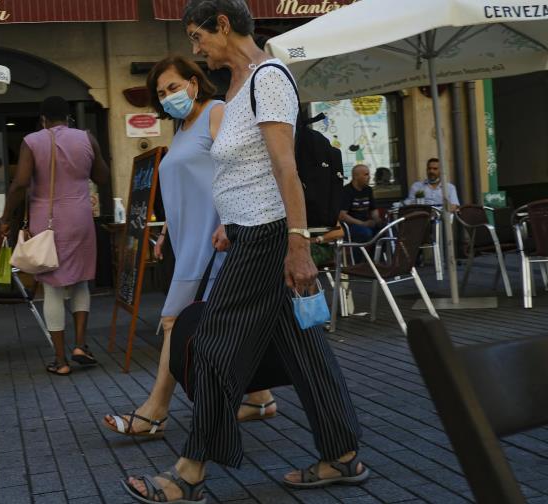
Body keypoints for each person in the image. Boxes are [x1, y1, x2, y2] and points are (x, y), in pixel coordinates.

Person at [122, 1, 367, 502]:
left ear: (224, 26)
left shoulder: (268, 77)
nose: (196, 48)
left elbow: (284, 167)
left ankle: (190, 472)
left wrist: (296, 244)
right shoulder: (236, 89)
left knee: (211, 346)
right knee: (307, 351)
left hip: (270, 237)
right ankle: (341, 455)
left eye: (197, 36)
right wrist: (229, 226)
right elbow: (246, 170)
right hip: (250, 232)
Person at [103, 56, 277, 437]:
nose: (168, 96)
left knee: (174, 322)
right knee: (213, 322)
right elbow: (185, 187)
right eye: (161, 92)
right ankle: (259, 398)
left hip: (216, 240)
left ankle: (154, 412)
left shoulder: (217, 113)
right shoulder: (182, 129)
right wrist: (166, 230)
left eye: (173, 87)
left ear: (194, 83)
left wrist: (231, 223)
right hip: (188, 240)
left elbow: (240, 169)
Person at [0, 96, 109, 376]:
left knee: (53, 287)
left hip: (48, 223)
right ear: (69, 118)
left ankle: (60, 360)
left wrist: (5, 217)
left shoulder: (32, 141)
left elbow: (21, 183)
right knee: (82, 280)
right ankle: (81, 345)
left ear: (43, 120)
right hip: (81, 218)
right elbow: (103, 177)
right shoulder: (86, 138)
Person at [339, 164, 381, 245]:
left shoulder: (368, 190)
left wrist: (377, 219)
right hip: (351, 226)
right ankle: (358, 257)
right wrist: (362, 224)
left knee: (384, 231)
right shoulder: (346, 191)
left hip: (366, 223)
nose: (369, 177)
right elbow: (342, 216)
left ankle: (375, 257)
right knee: (366, 233)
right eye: (366, 174)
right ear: (356, 176)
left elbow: (373, 209)